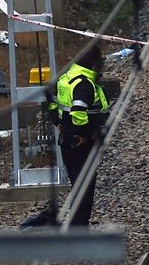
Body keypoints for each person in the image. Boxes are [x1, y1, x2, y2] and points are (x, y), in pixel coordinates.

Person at [49, 44, 109, 226]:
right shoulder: (84, 84)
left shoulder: (66, 76)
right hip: (80, 144)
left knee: (78, 186)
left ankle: (78, 225)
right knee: (85, 188)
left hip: (68, 141)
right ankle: (79, 228)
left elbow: (50, 97)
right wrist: (85, 135)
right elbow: (78, 113)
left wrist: (57, 121)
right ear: (92, 65)